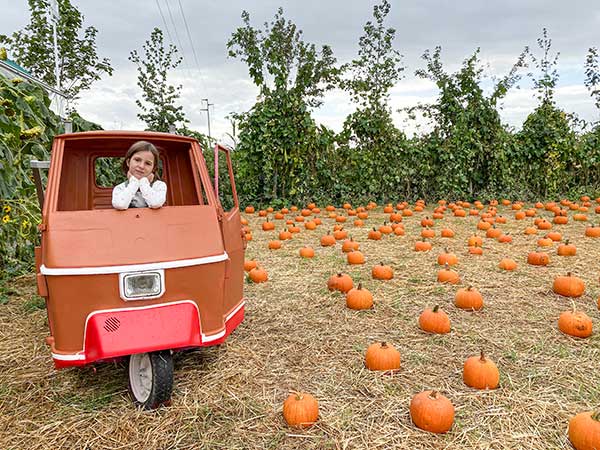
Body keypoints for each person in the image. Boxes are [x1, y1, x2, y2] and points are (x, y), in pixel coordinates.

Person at [112, 141, 167, 210]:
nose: (141, 166)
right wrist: (133, 182)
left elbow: (155, 203)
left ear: (153, 168)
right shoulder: (120, 188)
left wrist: (144, 182)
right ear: (128, 162)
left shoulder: (159, 186)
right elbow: (120, 205)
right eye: (137, 160)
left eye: (148, 163)